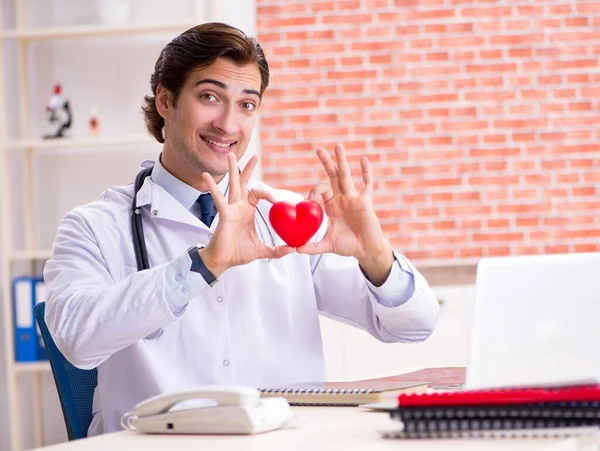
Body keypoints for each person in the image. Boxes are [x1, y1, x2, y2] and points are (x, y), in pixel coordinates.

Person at [43, 22, 440, 436]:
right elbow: (75, 338)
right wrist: (203, 265)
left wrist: (373, 254)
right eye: (209, 97)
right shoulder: (93, 226)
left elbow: (414, 326)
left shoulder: (286, 218)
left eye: (247, 104)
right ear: (165, 100)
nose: (228, 124)